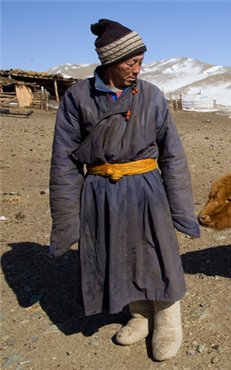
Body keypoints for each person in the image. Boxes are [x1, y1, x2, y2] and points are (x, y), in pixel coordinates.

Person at [49, 18, 200, 361]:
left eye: (141, 61)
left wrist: (181, 210)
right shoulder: (77, 98)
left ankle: (168, 320)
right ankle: (140, 315)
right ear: (109, 63)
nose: (138, 69)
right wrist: (67, 221)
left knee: (156, 253)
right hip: (101, 191)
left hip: (146, 188)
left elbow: (173, 155)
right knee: (118, 254)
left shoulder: (151, 96)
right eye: (131, 62)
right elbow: (64, 163)